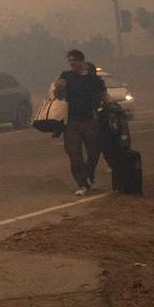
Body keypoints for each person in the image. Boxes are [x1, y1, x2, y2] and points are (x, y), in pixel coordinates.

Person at [54, 49, 109, 196]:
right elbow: (57, 95)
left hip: (89, 120)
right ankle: (82, 184)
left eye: (75, 60)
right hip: (71, 121)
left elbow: (103, 96)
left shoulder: (93, 79)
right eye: (70, 60)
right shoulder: (66, 76)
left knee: (94, 151)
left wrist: (108, 110)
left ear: (82, 61)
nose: (72, 63)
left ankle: (89, 172)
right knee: (74, 153)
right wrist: (57, 87)